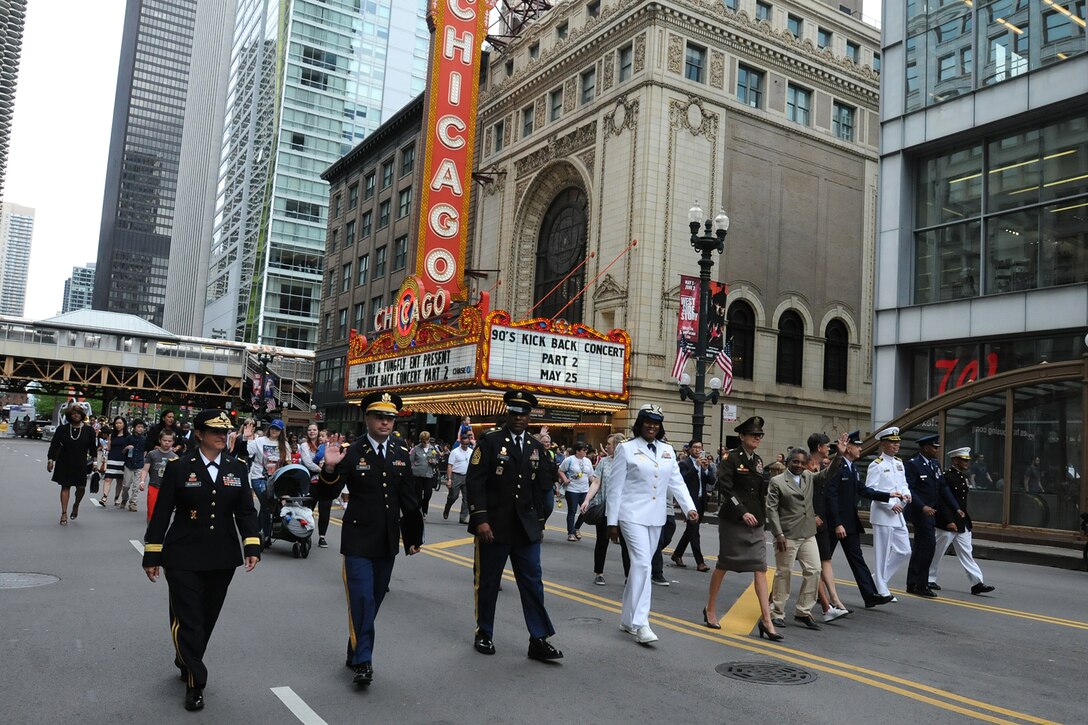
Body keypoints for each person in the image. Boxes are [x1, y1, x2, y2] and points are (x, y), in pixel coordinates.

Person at [141, 409, 261, 711]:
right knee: (190, 619)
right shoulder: (179, 467)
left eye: (226, 431)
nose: (222, 436)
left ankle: (186, 657)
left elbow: (246, 511)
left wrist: (252, 546)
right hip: (183, 554)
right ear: (199, 434)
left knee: (206, 618)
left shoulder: (237, 467)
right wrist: (152, 554)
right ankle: (197, 682)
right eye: (214, 431)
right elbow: (162, 512)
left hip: (222, 555)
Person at [318, 391, 423, 686]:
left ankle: (355, 650)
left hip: (388, 541)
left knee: (374, 600)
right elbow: (325, 494)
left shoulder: (400, 452)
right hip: (358, 540)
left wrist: (413, 537)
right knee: (362, 599)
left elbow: (409, 499)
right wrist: (329, 468)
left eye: (390, 417)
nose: (385, 422)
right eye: (379, 416)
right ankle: (364, 661)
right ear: (367, 418)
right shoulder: (351, 452)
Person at [467, 390, 563, 661]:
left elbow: (542, 487)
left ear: (529, 416)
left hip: (526, 528)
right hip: (494, 526)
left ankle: (538, 639)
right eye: (514, 412)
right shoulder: (490, 441)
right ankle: (484, 632)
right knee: (488, 581)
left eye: (523, 413)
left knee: (533, 584)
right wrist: (480, 520)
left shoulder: (535, 447)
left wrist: (541, 523)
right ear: (506, 413)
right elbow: (475, 483)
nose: (519, 417)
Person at [607, 404, 697, 645]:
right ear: (639, 423)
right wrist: (611, 521)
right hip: (631, 514)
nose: (652, 426)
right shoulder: (626, 449)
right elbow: (615, 488)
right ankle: (641, 623)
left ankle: (627, 619)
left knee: (640, 566)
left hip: (656, 516)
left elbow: (676, 482)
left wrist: (689, 508)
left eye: (656, 423)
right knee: (643, 564)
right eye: (647, 421)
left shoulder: (667, 450)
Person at [704, 416, 780, 641]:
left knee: (760, 567)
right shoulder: (730, 458)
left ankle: (766, 620)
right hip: (734, 520)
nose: (757, 438)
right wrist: (742, 511)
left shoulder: (757, 459)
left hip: (755, 520)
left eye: (759, 435)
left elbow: (760, 489)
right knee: (724, 564)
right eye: (753, 435)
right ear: (742, 436)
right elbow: (726, 489)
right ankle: (710, 608)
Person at [826, 431, 899, 608]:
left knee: (857, 559)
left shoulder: (853, 468)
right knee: (821, 560)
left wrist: (889, 495)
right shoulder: (838, 466)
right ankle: (817, 595)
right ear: (847, 447)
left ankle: (870, 595)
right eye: (857, 446)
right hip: (835, 524)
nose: (860, 449)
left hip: (849, 523)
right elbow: (831, 496)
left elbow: (864, 491)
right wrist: (837, 523)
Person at [766, 449, 822, 629]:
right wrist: (778, 534)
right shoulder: (777, 481)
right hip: (787, 534)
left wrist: (840, 457)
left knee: (814, 570)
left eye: (802, 463)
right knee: (784, 572)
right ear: (788, 462)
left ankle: (803, 611)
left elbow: (827, 474)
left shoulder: (808, 477)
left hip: (807, 533)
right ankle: (777, 612)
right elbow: (771, 509)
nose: (798, 465)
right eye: (795, 462)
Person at [929, 447, 995, 595]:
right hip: (948, 522)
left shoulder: (961, 476)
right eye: (963, 460)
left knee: (967, 552)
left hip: (962, 521)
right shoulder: (947, 476)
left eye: (967, 460)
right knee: (937, 551)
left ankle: (977, 583)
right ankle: (929, 578)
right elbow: (942, 501)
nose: (966, 463)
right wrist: (948, 521)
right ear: (955, 460)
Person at [904, 433, 959, 598]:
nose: (936, 450)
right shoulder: (913, 464)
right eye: (934, 447)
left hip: (932, 512)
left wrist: (955, 507)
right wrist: (923, 507)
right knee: (928, 546)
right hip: (920, 511)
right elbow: (910, 489)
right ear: (925, 447)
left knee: (922, 547)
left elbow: (943, 488)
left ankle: (913, 583)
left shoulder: (935, 464)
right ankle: (921, 584)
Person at [866, 427, 914, 601]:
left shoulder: (898, 463)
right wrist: (889, 504)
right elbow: (871, 490)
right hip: (883, 513)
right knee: (882, 553)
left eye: (897, 442)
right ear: (883, 444)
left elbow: (903, 484)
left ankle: (878, 580)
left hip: (898, 513)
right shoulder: (876, 465)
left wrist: (907, 494)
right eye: (892, 442)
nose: (896, 445)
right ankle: (881, 588)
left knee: (904, 550)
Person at [806, 433, 849, 622]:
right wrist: (812, 515)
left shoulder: (821, 466)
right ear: (818, 447)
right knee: (791, 568)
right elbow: (800, 495)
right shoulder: (803, 465)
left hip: (821, 521)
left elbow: (829, 476)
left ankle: (834, 601)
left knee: (824, 560)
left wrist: (840, 455)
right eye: (827, 446)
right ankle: (772, 603)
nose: (829, 449)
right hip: (807, 522)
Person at [581, 433, 625, 585]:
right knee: (602, 540)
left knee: (626, 544)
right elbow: (596, 482)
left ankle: (629, 576)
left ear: (618, 446)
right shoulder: (604, 462)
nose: (606, 446)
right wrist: (587, 500)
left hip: (624, 509)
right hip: (604, 507)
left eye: (609, 444)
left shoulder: (629, 462)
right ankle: (599, 572)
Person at [46, 403, 99, 525]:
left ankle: (76, 505)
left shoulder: (88, 430)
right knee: (65, 486)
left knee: (81, 487)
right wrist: (50, 460)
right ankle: (64, 513)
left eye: (79, 413)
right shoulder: (62, 429)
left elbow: (93, 448)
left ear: (82, 415)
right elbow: (54, 446)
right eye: (73, 413)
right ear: (70, 416)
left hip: (81, 463)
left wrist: (95, 462)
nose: (76, 415)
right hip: (64, 461)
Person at [247, 418, 288, 547]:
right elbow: (246, 452)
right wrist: (246, 438)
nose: (274, 430)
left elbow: (288, 462)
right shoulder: (259, 441)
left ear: (281, 431)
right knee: (266, 503)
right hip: (259, 477)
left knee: (269, 506)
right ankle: (266, 535)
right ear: (269, 428)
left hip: (276, 479)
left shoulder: (284, 445)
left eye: (277, 429)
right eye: (272, 428)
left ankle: (257, 532)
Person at [672, 441, 712, 572]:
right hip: (689, 503)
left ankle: (677, 554)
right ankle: (700, 562)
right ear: (689, 449)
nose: (697, 450)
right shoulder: (685, 464)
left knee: (690, 530)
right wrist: (695, 467)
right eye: (694, 447)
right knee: (694, 531)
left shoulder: (703, 464)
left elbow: (712, 481)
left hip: (701, 501)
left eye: (699, 448)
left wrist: (706, 469)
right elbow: (682, 479)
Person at [141, 429, 179, 522]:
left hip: (167, 488)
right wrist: (142, 481)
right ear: (160, 440)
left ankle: (159, 533)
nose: (166, 443)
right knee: (151, 512)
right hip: (154, 486)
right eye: (164, 440)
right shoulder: (152, 454)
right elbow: (145, 469)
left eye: (169, 441)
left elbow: (177, 475)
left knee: (164, 513)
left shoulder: (175, 457)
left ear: (173, 442)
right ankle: (150, 531)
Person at [297, 423, 326, 545]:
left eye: (314, 430)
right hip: (310, 480)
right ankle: (304, 534)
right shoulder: (304, 445)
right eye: (309, 430)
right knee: (308, 508)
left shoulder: (324, 445)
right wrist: (322, 470)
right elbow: (308, 463)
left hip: (325, 481)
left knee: (325, 509)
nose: (312, 432)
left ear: (318, 431)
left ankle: (322, 536)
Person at [558, 442, 594, 541]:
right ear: (577, 451)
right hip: (572, 489)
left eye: (586, 450)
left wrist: (597, 485)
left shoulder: (587, 461)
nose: (586, 451)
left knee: (585, 511)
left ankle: (576, 528)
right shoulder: (569, 460)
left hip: (584, 490)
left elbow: (591, 476)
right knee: (572, 511)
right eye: (584, 450)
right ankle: (570, 533)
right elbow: (560, 470)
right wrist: (565, 479)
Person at [443, 430, 474, 524]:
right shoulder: (455, 452)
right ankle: (447, 507)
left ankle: (463, 517)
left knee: (467, 498)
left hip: (467, 476)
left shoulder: (471, 452)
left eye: (467, 444)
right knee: (453, 496)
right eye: (464, 444)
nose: (465, 446)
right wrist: (449, 479)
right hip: (456, 475)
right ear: (461, 442)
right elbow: (450, 466)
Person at [120, 420, 148, 511]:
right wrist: (127, 448)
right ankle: (124, 499)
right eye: (138, 426)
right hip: (129, 464)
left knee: (136, 486)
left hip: (139, 464)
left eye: (142, 427)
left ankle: (133, 503)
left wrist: (143, 459)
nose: (140, 429)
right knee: (126, 485)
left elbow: (145, 451)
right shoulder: (129, 438)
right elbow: (123, 451)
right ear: (134, 428)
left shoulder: (144, 439)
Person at [101, 417, 129, 506]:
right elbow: (108, 448)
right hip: (112, 459)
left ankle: (117, 498)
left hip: (122, 460)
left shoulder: (128, 436)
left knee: (119, 480)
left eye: (120, 423)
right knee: (108, 478)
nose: (118, 425)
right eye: (116, 423)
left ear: (124, 424)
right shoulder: (111, 435)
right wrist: (104, 452)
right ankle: (104, 497)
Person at [410, 431, 438, 517]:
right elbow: (410, 460)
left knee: (428, 494)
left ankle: (424, 507)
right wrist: (411, 468)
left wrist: (434, 461)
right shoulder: (416, 448)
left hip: (428, 474)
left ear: (428, 440)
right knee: (417, 494)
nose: (423, 443)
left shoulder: (432, 449)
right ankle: (419, 511)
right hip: (417, 474)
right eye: (422, 441)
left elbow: (437, 460)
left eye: (425, 441)